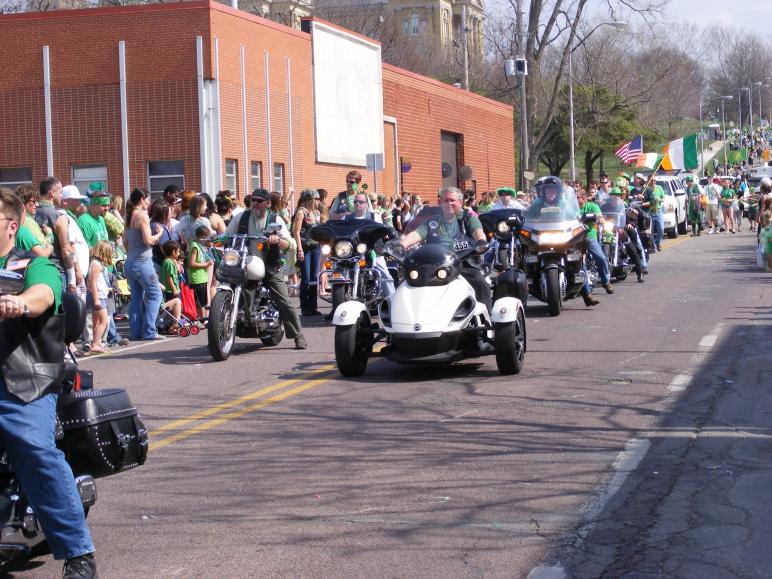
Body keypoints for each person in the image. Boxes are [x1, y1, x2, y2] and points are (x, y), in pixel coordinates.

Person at [0, 188, 98, 579]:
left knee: (33, 446)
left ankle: (79, 554)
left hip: (23, 379)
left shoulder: (32, 265)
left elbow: (44, 293)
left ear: (11, 226)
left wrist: (20, 303)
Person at [226, 188, 307, 349]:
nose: (255, 203)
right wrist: (216, 239)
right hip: (245, 262)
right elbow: (227, 235)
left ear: (268, 203)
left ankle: (298, 335)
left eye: (259, 201)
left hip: (270, 263)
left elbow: (289, 244)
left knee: (283, 300)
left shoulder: (275, 219)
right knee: (228, 281)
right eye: (253, 200)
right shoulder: (241, 217)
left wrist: (277, 240)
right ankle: (218, 330)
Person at [400, 186, 492, 311]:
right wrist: (401, 245)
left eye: (452, 200)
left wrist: (481, 241)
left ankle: (487, 318)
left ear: (460, 202)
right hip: (435, 266)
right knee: (405, 284)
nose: (449, 203)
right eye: (445, 200)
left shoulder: (468, 219)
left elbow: (478, 232)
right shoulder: (432, 222)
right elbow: (416, 234)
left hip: (463, 264)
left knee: (479, 282)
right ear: (440, 202)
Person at [124, 187, 164, 341]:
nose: (149, 202)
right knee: (156, 295)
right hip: (143, 262)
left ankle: (136, 332)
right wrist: (159, 234)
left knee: (136, 297)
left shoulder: (128, 216)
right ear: (141, 200)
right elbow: (148, 240)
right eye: (147, 199)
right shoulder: (142, 216)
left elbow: (126, 241)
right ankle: (149, 331)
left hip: (130, 262)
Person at [577, 189, 614, 293]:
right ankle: (583, 287)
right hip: (575, 239)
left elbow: (599, 216)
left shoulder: (592, 206)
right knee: (578, 262)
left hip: (589, 236)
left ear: (583, 198)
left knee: (601, 258)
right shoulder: (572, 208)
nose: (575, 200)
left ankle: (605, 281)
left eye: (577, 198)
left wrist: (600, 219)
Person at [292, 189, 321, 316]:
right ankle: (305, 307)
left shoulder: (316, 212)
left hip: (316, 247)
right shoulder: (301, 212)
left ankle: (313, 306)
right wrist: (300, 250)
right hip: (305, 248)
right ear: (310, 200)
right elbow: (296, 232)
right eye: (317, 199)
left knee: (314, 277)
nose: (318, 201)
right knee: (306, 278)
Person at [86, 240, 112, 354]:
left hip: (99, 294)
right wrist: (96, 299)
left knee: (96, 322)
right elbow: (92, 282)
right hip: (98, 296)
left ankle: (97, 342)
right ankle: (96, 344)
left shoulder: (95, 262)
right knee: (104, 321)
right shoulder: (96, 264)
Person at [187, 225, 213, 327]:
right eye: (207, 238)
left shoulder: (199, 245)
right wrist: (206, 265)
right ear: (202, 237)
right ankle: (202, 319)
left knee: (202, 301)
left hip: (202, 277)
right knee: (199, 302)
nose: (208, 240)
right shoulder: (195, 247)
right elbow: (191, 263)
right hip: (197, 278)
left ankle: (203, 318)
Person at [160, 240, 183, 334]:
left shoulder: (167, 262)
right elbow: (169, 277)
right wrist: (174, 289)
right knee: (175, 307)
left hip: (170, 289)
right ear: (173, 252)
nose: (179, 253)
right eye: (178, 251)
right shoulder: (169, 263)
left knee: (173, 309)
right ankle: (174, 324)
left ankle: (172, 324)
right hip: (171, 290)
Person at [641, 178, 665, 251]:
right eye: (651, 180)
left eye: (654, 180)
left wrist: (659, 199)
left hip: (658, 211)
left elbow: (663, 198)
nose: (653, 181)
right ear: (648, 181)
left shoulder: (659, 188)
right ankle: (653, 246)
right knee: (650, 231)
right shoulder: (646, 189)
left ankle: (657, 242)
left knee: (661, 229)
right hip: (649, 211)